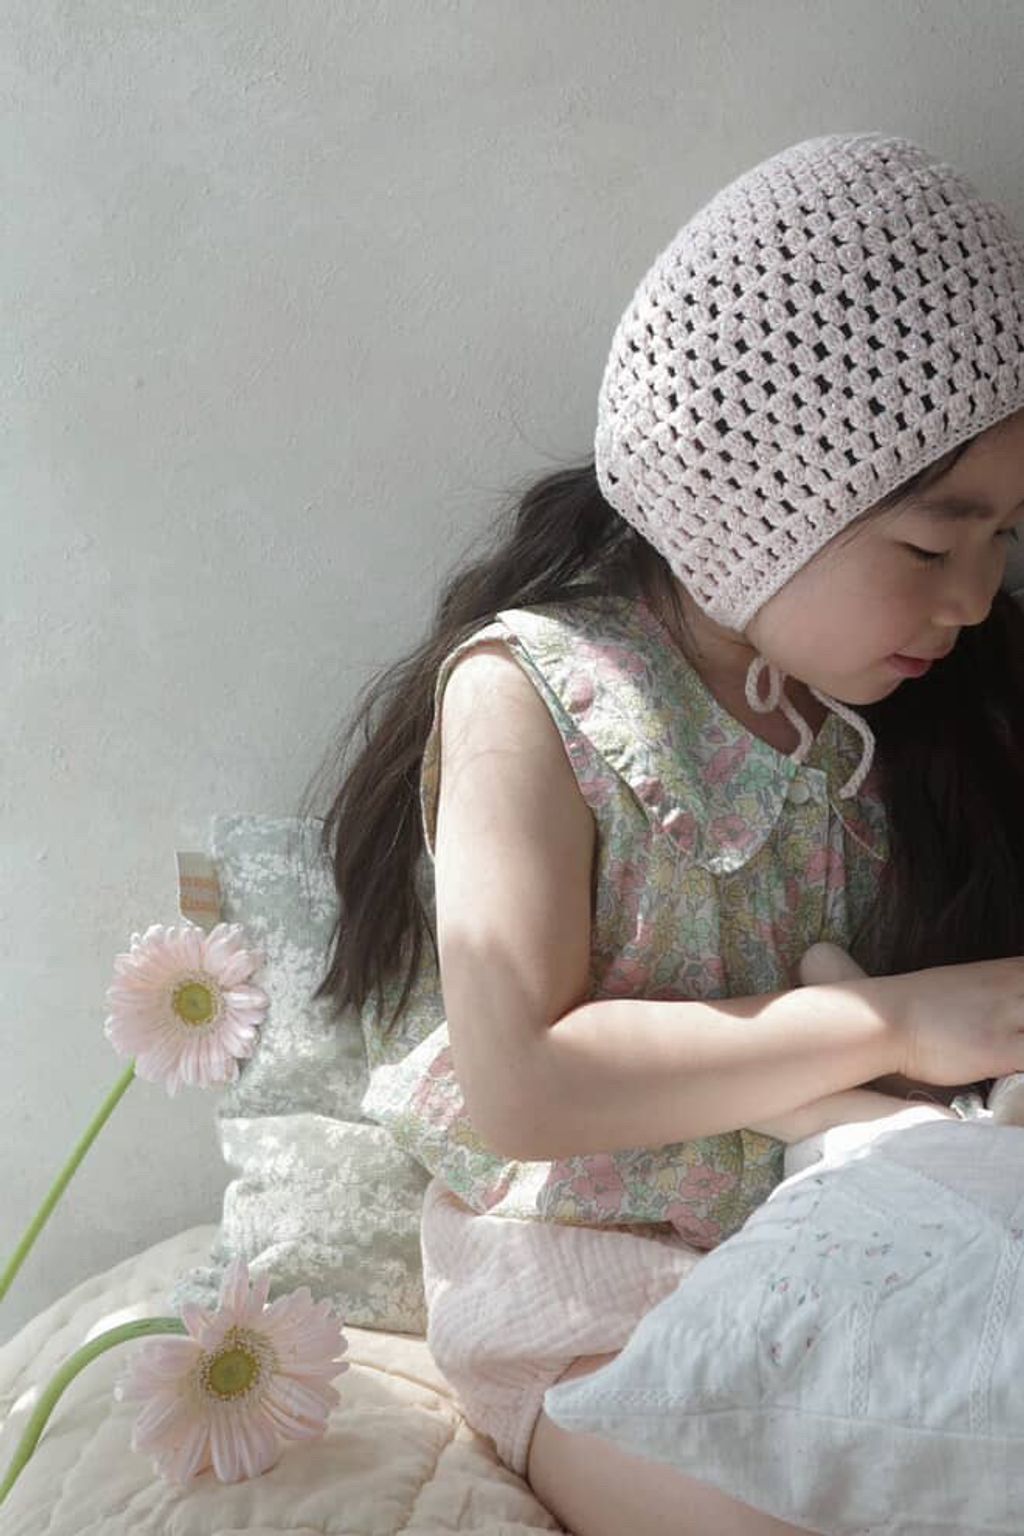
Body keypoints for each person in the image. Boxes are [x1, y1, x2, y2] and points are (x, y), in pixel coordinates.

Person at [299, 132, 1024, 1534]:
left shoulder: (882, 724)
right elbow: (525, 1082)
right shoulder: (535, 695)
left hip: (826, 1242)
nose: (978, 598)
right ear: (752, 497)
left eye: (1004, 541)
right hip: (585, 1293)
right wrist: (890, 1022)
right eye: (934, 547)